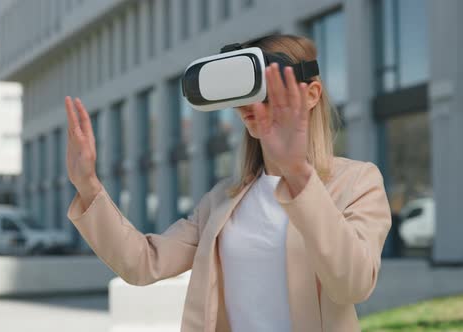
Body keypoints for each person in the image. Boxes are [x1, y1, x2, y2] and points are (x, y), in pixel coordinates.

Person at [64, 34, 391, 332]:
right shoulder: (222, 199)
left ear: (312, 95)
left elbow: (353, 284)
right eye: (244, 93)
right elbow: (142, 263)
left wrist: (298, 173)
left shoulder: (357, 182)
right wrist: (88, 185)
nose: (251, 105)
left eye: (268, 91)